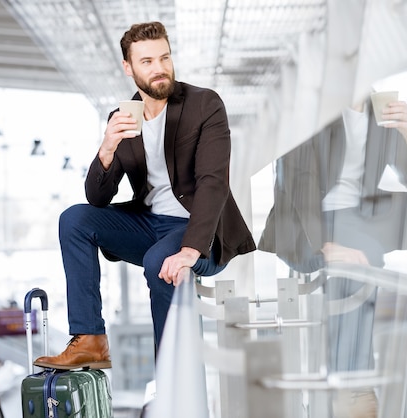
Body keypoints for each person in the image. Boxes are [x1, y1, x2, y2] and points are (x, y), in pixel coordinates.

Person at [34, 21, 256, 370]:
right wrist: (107, 149)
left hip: (200, 231)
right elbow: (98, 199)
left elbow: (214, 183)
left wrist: (188, 250)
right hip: (149, 224)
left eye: (164, 58)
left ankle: (173, 373)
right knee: (74, 219)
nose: (159, 69)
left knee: (160, 262)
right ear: (129, 67)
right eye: (147, 62)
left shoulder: (204, 104)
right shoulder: (123, 118)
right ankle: (90, 338)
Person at [259, 96, 407, 417]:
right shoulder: (313, 108)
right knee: (361, 255)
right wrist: (323, 246)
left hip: (366, 213)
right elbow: (297, 182)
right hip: (314, 220)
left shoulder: (380, 109)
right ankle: (352, 384)